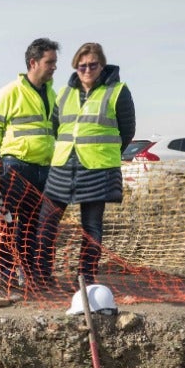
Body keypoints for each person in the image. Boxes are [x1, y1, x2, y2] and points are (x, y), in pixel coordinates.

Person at [37, 42, 133, 290]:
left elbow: (127, 131)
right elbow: (58, 126)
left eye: (93, 65)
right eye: (82, 66)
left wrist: (104, 152)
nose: (87, 70)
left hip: (96, 167)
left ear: (102, 66)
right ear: (75, 67)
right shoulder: (64, 93)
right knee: (46, 222)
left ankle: (86, 278)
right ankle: (42, 274)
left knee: (92, 226)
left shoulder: (118, 91)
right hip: (63, 164)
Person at [0, 38, 59, 295]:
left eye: (54, 62)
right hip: (14, 167)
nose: (54, 67)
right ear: (33, 62)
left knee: (31, 225)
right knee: (6, 224)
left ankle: (28, 276)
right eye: (49, 62)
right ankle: (6, 278)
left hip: (43, 169)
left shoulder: (51, 93)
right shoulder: (9, 92)